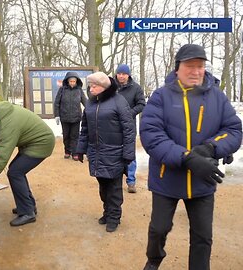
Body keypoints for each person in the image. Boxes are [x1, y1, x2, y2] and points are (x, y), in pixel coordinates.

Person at [140, 44, 242, 270]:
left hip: (202, 179)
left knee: (203, 236)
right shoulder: (161, 96)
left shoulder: (217, 96)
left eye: (201, 66)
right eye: (190, 66)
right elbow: (152, 135)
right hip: (167, 177)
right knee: (159, 229)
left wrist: (210, 148)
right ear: (177, 68)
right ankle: (153, 261)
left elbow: (234, 130)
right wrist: (187, 158)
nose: (196, 71)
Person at [0, 101, 55, 227]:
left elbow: (1, 158)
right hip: (33, 143)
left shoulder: (8, 123)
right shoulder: (3, 113)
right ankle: (29, 206)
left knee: (15, 172)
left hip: (41, 144)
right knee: (16, 171)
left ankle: (27, 213)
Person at [74, 72, 135, 233]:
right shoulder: (90, 103)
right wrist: (80, 149)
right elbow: (85, 128)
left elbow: (129, 129)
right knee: (103, 186)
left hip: (115, 152)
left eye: (95, 86)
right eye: (90, 85)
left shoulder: (119, 101)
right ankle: (107, 212)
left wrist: (128, 153)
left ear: (104, 87)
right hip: (96, 152)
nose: (91, 88)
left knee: (114, 188)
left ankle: (114, 217)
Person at [115, 64, 146, 193]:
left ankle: (131, 181)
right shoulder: (111, 87)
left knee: (130, 154)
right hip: (113, 126)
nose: (121, 76)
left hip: (129, 126)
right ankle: (114, 181)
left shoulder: (136, 88)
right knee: (114, 153)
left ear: (128, 75)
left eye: (124, 74)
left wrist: (129, 113)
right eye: (119, 73)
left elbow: (141, 104)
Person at [54, 72, 87, 160]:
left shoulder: (79, 90)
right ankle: (67, 151)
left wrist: (90, 111)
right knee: (66, 136)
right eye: (71, 81)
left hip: (76, 117)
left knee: (75, 136)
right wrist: (56, 115)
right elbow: (56, 103)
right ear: (67, 81)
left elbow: (85, 102)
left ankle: (74, 152)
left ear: (76, 81)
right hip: (64, 117)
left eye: (74, 81)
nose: (72, 83)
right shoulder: (62, 90)